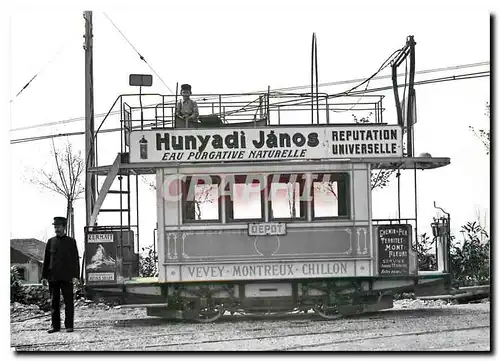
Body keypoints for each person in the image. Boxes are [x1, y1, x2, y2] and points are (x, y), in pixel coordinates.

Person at [42, 217, 80, 333]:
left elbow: (75, 260)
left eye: (58, 227)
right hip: (53, 277)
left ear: (64, 227)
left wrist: (76, 277)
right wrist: (44, 276)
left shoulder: (71, 242)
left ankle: (69, 326)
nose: (56, 229)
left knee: (69, 302)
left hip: (67, 277)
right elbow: (46, 260)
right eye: (55, 227)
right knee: (54, 302)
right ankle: (55, 326)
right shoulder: (50, 242)